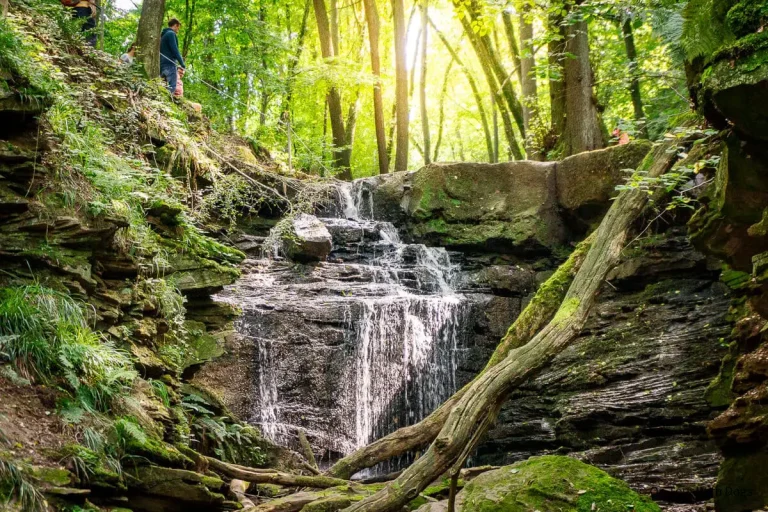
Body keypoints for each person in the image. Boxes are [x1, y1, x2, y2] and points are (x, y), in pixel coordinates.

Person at [160, 19, 186, 95]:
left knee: (163, 86)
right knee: (171, 87)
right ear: (175, 25)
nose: (178, 30)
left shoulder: (164, 35)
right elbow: (175, 50)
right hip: (169, 64)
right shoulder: (171, 34)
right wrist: (182, 63)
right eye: (178, 27)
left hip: (162, 64)